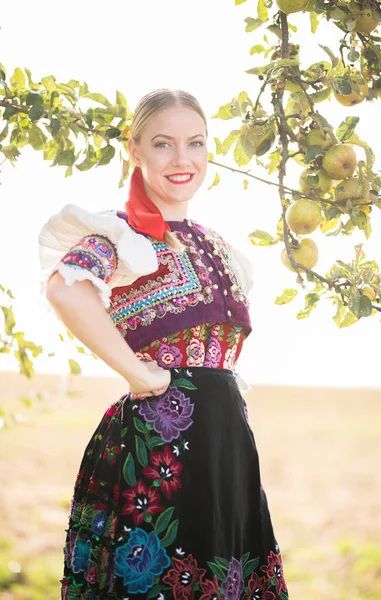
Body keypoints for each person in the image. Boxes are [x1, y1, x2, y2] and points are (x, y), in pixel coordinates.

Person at [39, 89, 288, 600]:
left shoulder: (218, 245)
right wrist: (138, 372)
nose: (182, 159)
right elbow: (66, 289)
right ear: (134, 150)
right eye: (162, 143)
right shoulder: (119, 234)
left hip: (227, 448)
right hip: (161, 445)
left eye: (195, 143)